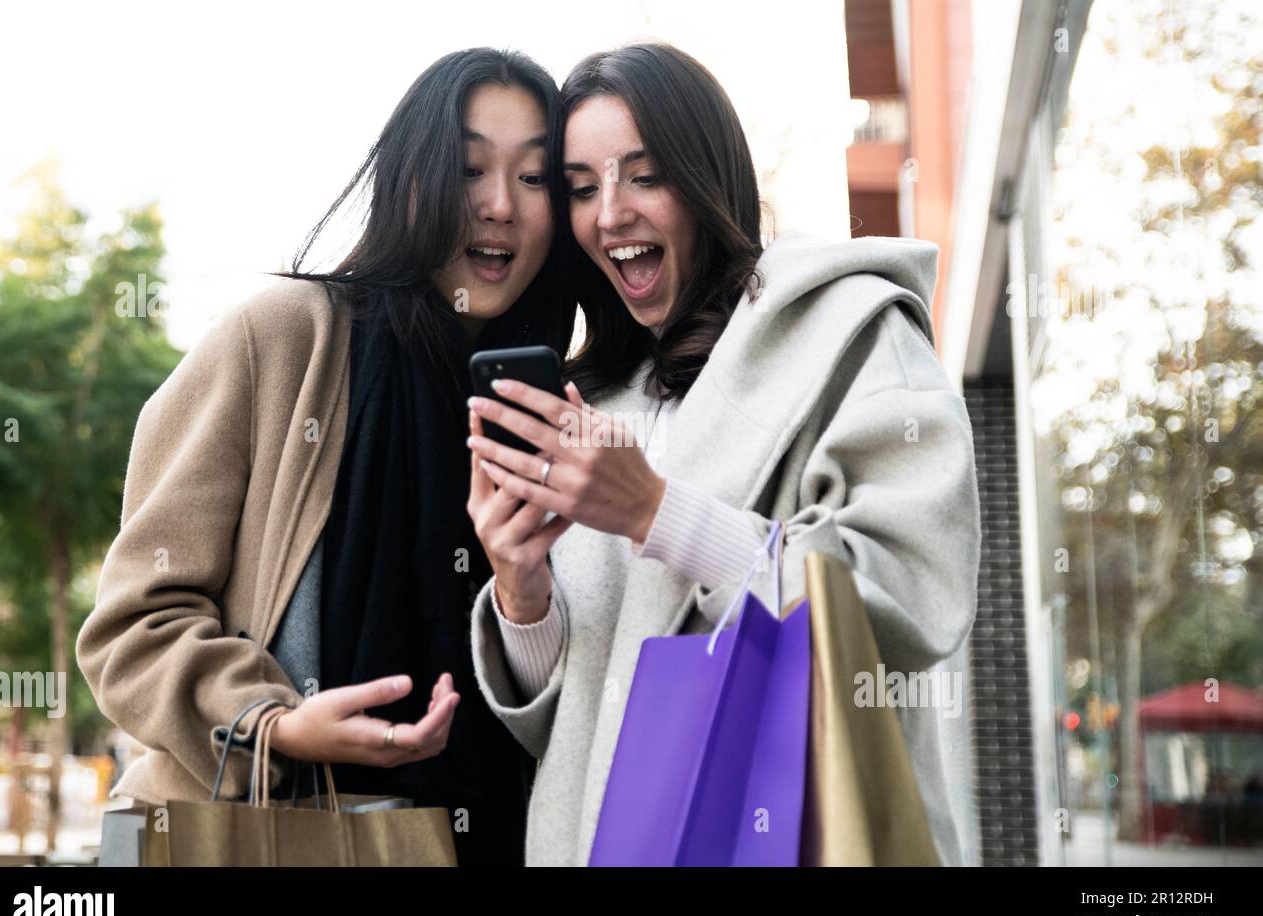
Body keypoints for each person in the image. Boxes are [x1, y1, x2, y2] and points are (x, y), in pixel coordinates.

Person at [465, 42, 981, 866]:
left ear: (707, 180)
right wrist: (522, 591)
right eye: (582, 188)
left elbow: (915, 595)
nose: (610, 215)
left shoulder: (846, 332)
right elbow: (570, 715)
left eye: (644, 175)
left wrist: (656, 512)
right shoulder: (594, 400)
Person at [77, 47, 576, 866]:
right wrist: (276, 726)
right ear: (409, 181)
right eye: (467, 169)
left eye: (534, 179)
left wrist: (527, 592)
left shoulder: (560, 405)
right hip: (255, 831)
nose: (499, 206)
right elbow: (133, 624)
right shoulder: (280, 341)